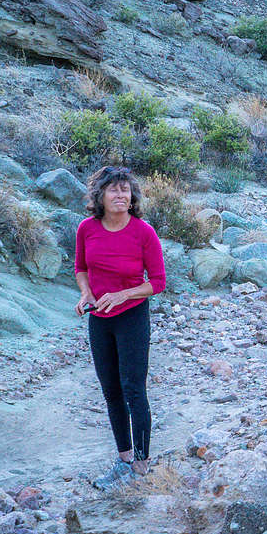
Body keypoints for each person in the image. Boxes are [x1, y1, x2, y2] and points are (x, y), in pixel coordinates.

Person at [74, 165, 166, 491]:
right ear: (100, 195)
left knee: (134, 391)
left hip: (132, 318)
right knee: (111, 391)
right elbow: (81, 268)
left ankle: (141, 466)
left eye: (125, 190)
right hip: (99, 320)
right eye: (113, 189)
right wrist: (86, 294)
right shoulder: (87, 229)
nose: (120, 195)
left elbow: (157, 283)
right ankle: (124, 460)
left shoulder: (143, 232)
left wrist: (123, 293)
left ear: (132, 196)